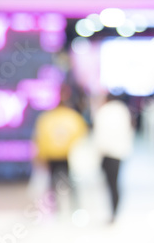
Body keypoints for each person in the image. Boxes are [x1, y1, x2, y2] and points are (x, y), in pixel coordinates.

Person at [32, 84, 88, 210]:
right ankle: (60, 209)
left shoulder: (69, 117)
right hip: (57, 156)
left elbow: (80, 137)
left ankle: (72, 209)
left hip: (65, 156)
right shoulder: (52, 117)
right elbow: (40, 138)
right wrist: (41, 156)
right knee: (55, 184)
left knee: (68, 184)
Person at [93, 93, 134, 223]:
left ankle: (113, 212)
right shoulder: (122, 110)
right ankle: (114, 212)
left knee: (110, 184)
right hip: (120, 152)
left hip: (107, 153)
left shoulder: (103, 112)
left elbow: (100, 135)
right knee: (115, 183)